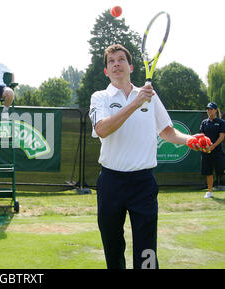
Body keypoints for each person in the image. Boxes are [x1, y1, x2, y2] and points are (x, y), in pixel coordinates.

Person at [89, 44, 209, 269]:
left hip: (143, 183)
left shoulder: (150, 97)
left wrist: (190, 139)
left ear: (131, 66)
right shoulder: (100, 97)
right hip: (111, 182)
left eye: (121, 59)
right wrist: (135, 103)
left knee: (147, 252)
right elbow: (102, 129)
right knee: (113, 248)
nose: (116, 64)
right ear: (106, 70)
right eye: (111, 61)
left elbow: (167, 131)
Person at [200, 102, 225, 198]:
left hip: (217, 151)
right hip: (206, 152)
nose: (208, 110)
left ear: (215, 110)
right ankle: (209, 192)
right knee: (208, 172)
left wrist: (213, 146)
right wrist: (203, 146)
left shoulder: (221, 122)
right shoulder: (204, 122)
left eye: (210, 109)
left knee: (221, 170)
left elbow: (222, 136)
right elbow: (202, 136)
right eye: (207, 109)